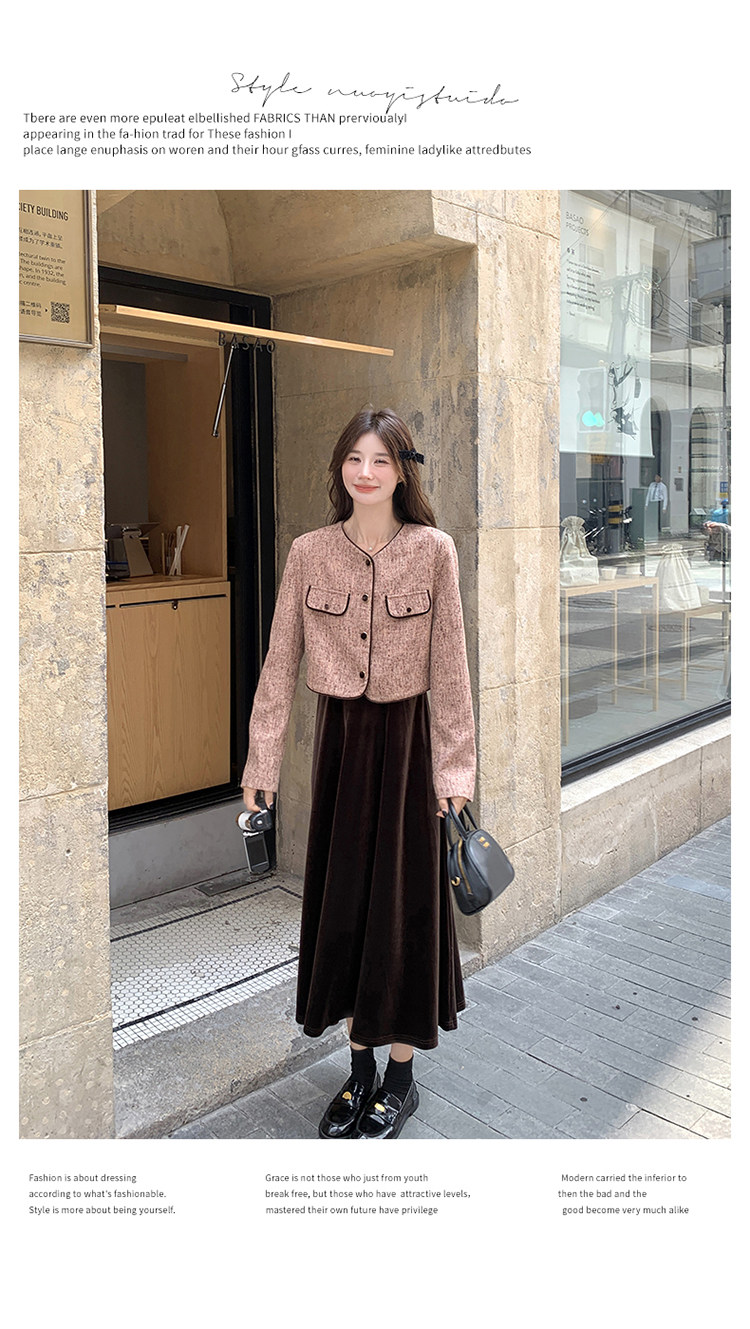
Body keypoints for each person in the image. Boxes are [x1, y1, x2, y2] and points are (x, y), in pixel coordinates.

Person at [241, 406, 476, 1140]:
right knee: (344, 905)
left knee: (403, 910)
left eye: (381, 460)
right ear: (339, 467)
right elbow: (279, 661)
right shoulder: (309, 552)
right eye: (354, 458)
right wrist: (262, 759)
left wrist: (455, 773)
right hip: (339, 749)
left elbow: (452, 671)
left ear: (403, 471)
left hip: (409, 753)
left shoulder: (434, 551)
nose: (366, 472)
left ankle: (400, 1078)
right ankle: (359, 1067)